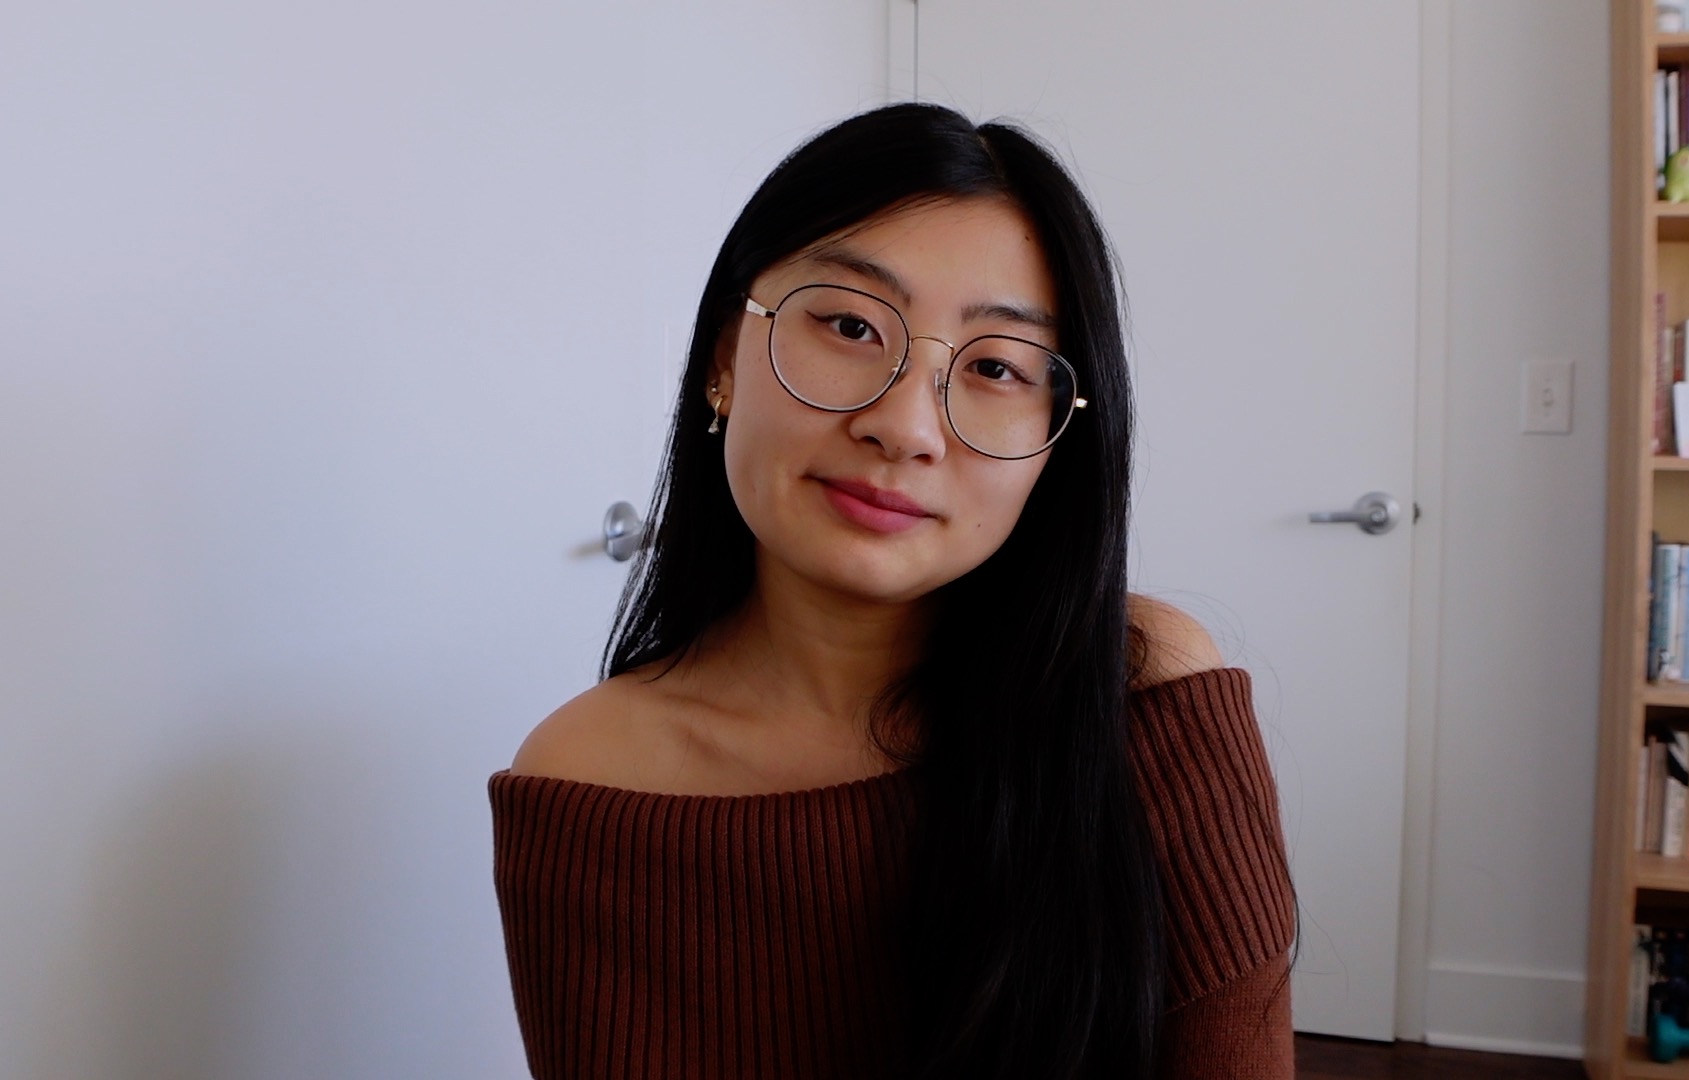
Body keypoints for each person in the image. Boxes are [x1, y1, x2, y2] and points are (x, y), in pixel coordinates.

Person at [489, 102, 1295, 1080]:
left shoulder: (1143, 694)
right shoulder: (590, 773)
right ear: (721, 361)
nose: (906, 425)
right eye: (848, 324)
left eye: (997, 366)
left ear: (1060, 436)